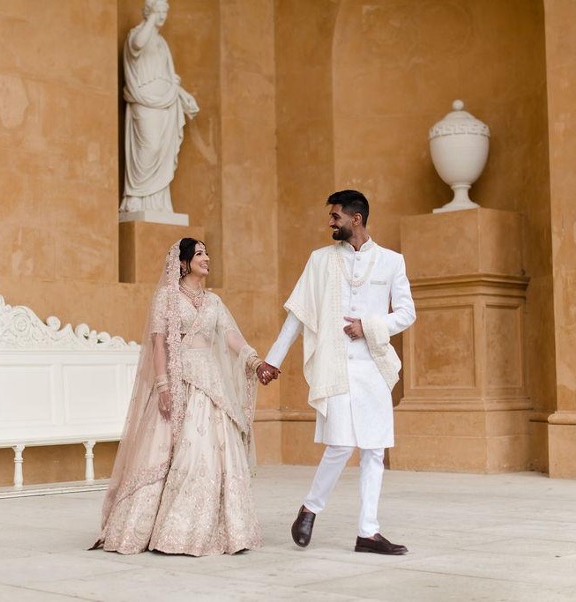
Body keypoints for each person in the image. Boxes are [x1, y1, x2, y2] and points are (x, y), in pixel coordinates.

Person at [256, 190, 416, 555]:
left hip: (374, 365)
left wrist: (370, 326)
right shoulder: (320, 260)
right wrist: (273, 360)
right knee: (342, 444)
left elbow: (407, 313)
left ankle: (368, 532)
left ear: (355, 219)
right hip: (337, 366)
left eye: (335, 216)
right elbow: (297, 314)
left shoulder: (392, 262)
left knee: (375, 450)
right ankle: (310, 508)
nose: (330, 222)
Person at [93, 238, 263, 555]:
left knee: (213, 452)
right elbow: (159, 344)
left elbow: (230, 337)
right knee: (175, 453)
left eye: (207, 253)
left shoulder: (214, 302)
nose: (207, 258)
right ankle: (168, 530)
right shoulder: (167, 298)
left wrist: (255, 361)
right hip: (179, 379)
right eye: (200, 254)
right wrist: (162, 386)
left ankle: (218, 529)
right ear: (183, 263)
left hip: (210, 383)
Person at [119, 0, 199, 215]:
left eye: (165, 11)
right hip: (145, 100)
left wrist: (183, 95)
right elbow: (137, 45)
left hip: (166, 101)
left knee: (162, 149)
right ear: (150, 11)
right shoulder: (137, 35)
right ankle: (136, 195)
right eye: (160, 10)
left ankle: (155, 201)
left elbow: (169, 76)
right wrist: (151, 17)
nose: (163, 15)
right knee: (150, 146)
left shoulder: (162, 43)